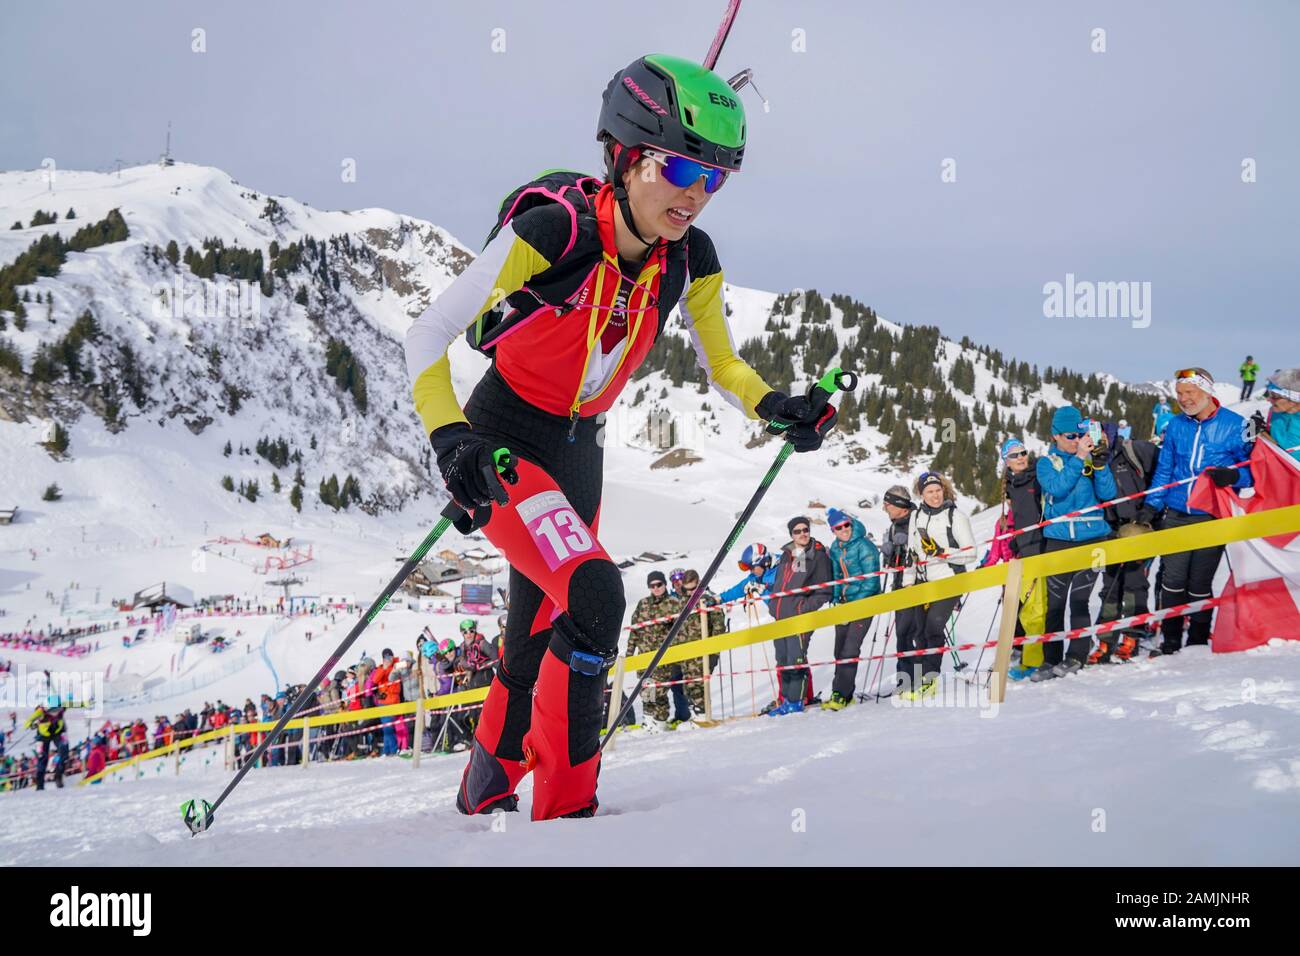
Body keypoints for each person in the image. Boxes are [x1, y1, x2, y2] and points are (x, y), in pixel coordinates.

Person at [404, 54, 837, 820]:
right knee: (598, 593)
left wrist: (779, 407)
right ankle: (568, 817)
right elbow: (426, 334)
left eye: (714, 178)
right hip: (504, 443)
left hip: (581, 456)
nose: (695, 195)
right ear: (627, 158)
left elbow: (722, 364)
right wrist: (452, 442)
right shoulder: (553, 232)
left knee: (533, 635)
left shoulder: (690, 261)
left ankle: (484, 787)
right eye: (678, 167)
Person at [1139, 368, 1252, 653]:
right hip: (1176, 512)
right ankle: (1171, 639)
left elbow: (1252, 470)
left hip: (1212, 514)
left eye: (1190, 392)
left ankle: (1199, 640)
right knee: (1172, 580)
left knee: (1199, 582)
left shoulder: (1234, 425)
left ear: (1207, 392)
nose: (1184, 399)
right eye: (1179, 394)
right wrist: (1151, 506)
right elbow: (1165, 470)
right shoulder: (1177, 425)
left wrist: (1234, 477)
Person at [1032, 407, 1118, 681]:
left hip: (1092, 539)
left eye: (1080, 434)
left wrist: (1101, 465)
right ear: (1055, 436)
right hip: (1058, 540)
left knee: (1080, 601)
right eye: (1070, 436)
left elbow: (1108, 494)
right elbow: (1057, 488)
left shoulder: (1089, 460)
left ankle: (1076, 656)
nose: (1076, 440)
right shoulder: (1047, 462)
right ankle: (1050, 659)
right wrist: (1079, 458)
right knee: (1055, 605)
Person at [900, 472, 976, 698]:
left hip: (950, 579)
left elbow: (971, 553)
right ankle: (918, 680)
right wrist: (907, 582)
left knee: (933, 627)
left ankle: (929, 680)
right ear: (921, 494)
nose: (935, 495)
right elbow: (912, 551)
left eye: (938, 490)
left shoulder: (955, 516)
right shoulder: (917, 516)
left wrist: (942, 553)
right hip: (923, 581)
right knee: (919, 632)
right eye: (929, 492)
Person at [1092, 423, 1160, 662]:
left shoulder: (1134, 451)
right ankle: (1105, 640)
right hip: (1109, 531)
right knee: (1109, 587)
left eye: (1099, 433)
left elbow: (1162, 477)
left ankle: (1133, 637)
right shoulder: (1090, 461)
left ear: (1109, 433)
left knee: (1134, 584)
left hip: (1137, 527)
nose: (1096, 439)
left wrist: (1150, 513)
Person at [767, 516, 834, 714]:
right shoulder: (788, 554)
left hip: (800, 617)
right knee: (783, 659)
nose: (803, 534)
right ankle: (786, 699)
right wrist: (773, 605)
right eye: (797, 531)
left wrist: (802, 607)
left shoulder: (817, 555)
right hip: (780, 617)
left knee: (796, 659)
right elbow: (781, 584)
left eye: (806, 529)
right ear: (791, 535)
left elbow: (824, 590)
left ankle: (797, 701)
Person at [822, 507, 880, 709]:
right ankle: (845, 694)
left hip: (864, 602)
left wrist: (856, 604)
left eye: (847, 525)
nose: (844, 529)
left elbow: (872, 581)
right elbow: (837, 576)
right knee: (839, 650)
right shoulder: (836, 548)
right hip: (845, 605)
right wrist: (837, 598)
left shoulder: (864, 546)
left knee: (850, 648)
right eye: (839, 527)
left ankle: (840, 695)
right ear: (833, 530)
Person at [627, 570, 686, 728]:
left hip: (664, 657)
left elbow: (682, 630)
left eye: (659, 584)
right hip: (644, 656)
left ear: (665, 584)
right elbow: (635, 629)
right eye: (652, 586)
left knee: (659, 691)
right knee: (646, 690)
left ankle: (660, 722)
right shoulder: (643, 604)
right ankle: (648, 720)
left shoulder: (674, 603)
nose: (656, 588)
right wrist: (630, 653)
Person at [879, 485, 919, 691]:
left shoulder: (917, 521)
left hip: (916, 585)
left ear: (899, 505)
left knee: (915, 633)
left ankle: (918, 679)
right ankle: (906, 681)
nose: (885, 508)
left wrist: (904, 550)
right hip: (899, 585)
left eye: (887, 504)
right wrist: (888, 554)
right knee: (903, 634)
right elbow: (893, 563)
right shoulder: (894, 526)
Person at [676, 569, 725, 722]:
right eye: (687, 589)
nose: (690, 592)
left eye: (693, 588)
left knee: (699, 686)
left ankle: (703, 716)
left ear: (699, 584)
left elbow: (719, 628)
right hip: (686, 653)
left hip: (703, 652)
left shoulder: (708, 601)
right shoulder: (682, 602)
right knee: (688, 687)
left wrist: (714, 653)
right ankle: (696, 716)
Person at [1258, 368, 1300, 462]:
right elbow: (1275, 445)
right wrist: (1260, 430)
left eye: (1275, 396)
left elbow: (1289, 457)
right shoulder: (1276, 413)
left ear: (1294, 399)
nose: (1268, 399)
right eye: (1269, 394)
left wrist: (1261, 434)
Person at [26, 697, 68, 790]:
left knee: (64, 750)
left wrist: (87, 703)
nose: (55, 712)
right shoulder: (40, 712)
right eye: (52, 710)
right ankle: (40, 785)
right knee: (42, 759)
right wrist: (32, 725)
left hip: (57, 733)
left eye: (57, 709)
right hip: (43, 736)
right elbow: (27, 722)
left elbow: (76, 704)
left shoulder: (62, 708)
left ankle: (58, 775)